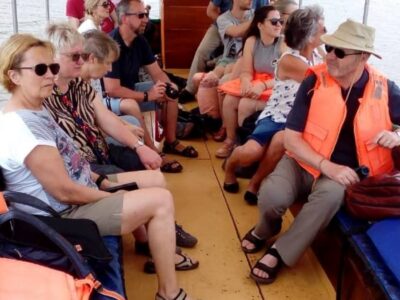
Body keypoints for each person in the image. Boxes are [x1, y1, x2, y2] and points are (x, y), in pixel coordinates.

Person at [0, 33, 196, 300]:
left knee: (155, 181)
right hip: (60, 217)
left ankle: (157, 250)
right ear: (14, 76)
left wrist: (101, 180)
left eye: (53, 67)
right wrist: (112, 195)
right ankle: (169, 293)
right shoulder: (23, 127)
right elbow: (64, 192)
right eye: (40, 69)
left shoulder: (36, 109)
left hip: (81, 190)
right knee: (159, 201)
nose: (50, 75)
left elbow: (71, 162)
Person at [243, 19, 400, 284]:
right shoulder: (313, 80)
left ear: (362, 57)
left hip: (344, 173)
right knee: (271, 196)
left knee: (327, 199)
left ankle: (279, 252)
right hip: (304, 161)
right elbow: (291, 139)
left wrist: (396, 135)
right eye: (328, 47)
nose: (329, 55)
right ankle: (265, 229)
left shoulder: (385, 89)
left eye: (339, 51)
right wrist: (326, 165)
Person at [44, 23, 198, 248]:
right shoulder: (43, 96)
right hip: (85, 167)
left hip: (101, 151)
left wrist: (139, 146)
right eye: (76, 57)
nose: (82, 61)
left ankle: (161, 223)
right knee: (129, 180)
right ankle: (147, 239)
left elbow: (104, 117)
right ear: (54, 58)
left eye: (83, 56)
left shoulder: (79, 84)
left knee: (144, 163)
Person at [223, 5, 325, 201]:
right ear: (310, 37)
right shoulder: (292, 61)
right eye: (323, 30)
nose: (326, 34)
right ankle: (230, 166)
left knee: (281, 139)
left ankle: (255, 183)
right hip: (277, 115)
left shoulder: (316, 57)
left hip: (297, 121)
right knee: (250, 153)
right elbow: (324, 81)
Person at [104, 0, 198, 161]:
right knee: (133, 104)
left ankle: (171, 141)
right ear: (125, 18)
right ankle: (152, 149)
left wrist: (170, 87)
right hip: (108, 98)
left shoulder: (139, 41)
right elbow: (112, 89)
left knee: (169, 91)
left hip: (129, 90)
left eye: (146, 15)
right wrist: (148, 96)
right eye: (141, 15)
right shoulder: (111, 44)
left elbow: (156, 72)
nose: (146, 19)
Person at [215, 5, 283, 158]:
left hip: (275, 84)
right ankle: (231, 140)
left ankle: (245, 144)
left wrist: (263, 85)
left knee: (245, 103)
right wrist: (246, 81)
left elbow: (284, 77)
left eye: (280, 21)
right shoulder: (252, 41)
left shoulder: (283, 44)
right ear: (260, 25)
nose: (279, 25)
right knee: (230, 100)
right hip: (256, 80)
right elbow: (246, 71)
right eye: (273, 21)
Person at [178, 0, 232, 104]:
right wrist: (225, 23)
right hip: (219, 27)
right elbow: (210, 11)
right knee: (202, 52)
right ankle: (190, 90)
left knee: (231, 57)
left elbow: (261, 16)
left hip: (242, 30)